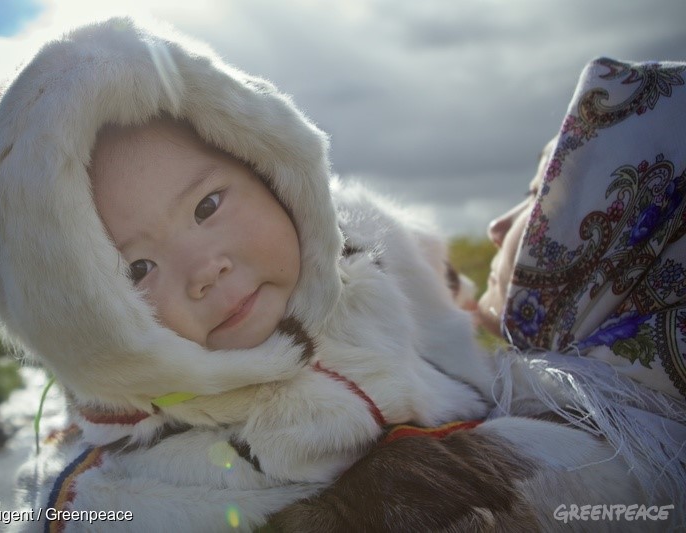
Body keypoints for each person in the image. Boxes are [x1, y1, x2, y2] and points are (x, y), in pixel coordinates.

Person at [0, 17, 499, 532]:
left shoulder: (364, 247)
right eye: (138, 269)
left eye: (207, 206)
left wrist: (462, 295)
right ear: (86, 322)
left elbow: (433, 272)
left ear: (269, 171)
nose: (205, 271)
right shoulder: (122, 491)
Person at [271, 57, 686, 531]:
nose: (498, 226)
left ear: (622, 232)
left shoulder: (507, 478)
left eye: (538, 195)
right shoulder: (639, 438)